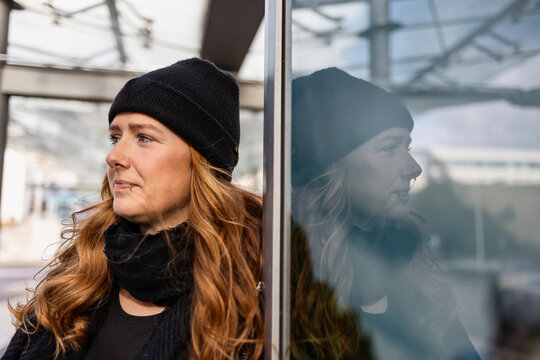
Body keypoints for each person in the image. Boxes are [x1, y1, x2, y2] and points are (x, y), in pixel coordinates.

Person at [3, 58, 264, 360]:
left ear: (202, 163)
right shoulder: (78, 278)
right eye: (115, 137)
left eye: (143, 137)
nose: (114, 156)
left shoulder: (253, 301)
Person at [290, 67, 480, 359]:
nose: (414, 167)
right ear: (331, 168)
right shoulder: (282, 288)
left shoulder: (411, 269)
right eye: (389, 148)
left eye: (408, 146)